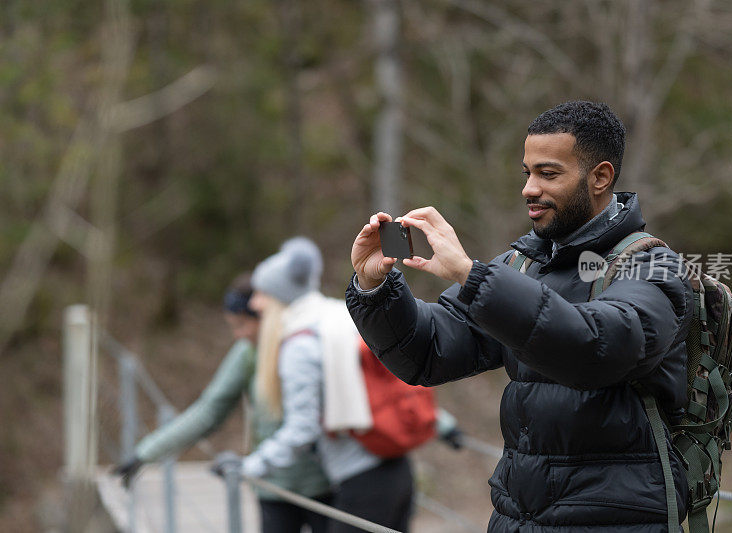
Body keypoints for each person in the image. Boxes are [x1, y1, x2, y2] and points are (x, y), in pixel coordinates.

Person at [345, 101, 694, 532]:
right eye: (526, 173)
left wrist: (473, 277)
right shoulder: (521, 265)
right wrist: (375, 289)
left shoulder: (653, 267)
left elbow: (596, 349)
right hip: (519, 520)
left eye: (547, 174)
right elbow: (429, 353)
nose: (529, 188)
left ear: (600, 177)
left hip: (616, 522)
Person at [241, 237, 462, 533]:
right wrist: (441, 422)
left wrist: (251, 466)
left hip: (363, 481)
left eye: (261, 293)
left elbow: (302, 427)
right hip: (396, 470)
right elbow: (386, 378)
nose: (253, 302)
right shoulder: (339, 316)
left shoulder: (299, 345)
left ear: (281, 295)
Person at [113, 272, 331, 533]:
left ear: (265, 316)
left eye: (242, 325)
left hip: (327, 485)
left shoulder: (305, 346)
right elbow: (209, 411)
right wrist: (145, 454)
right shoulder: (247, 354)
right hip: (273, 488)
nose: (237, 335)